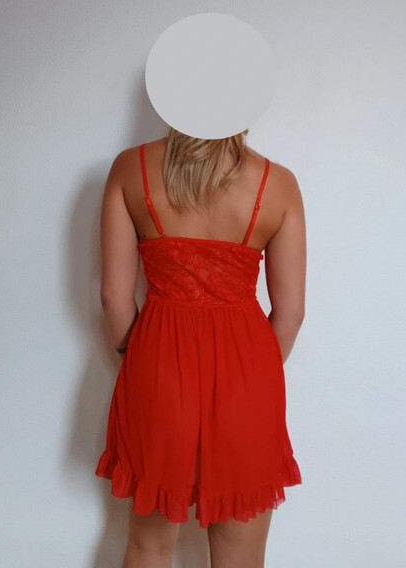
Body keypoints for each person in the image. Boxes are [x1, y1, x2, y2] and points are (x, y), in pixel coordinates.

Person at [96, 127, 306, 568]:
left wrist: (139, 362)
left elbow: (114, 299)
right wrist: (252, 375)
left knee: (148, 547)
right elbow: (290, 315)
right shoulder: (278, 185)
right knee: (240, 555)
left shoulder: (131, 169)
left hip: (158, 370)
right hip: (247, 380)